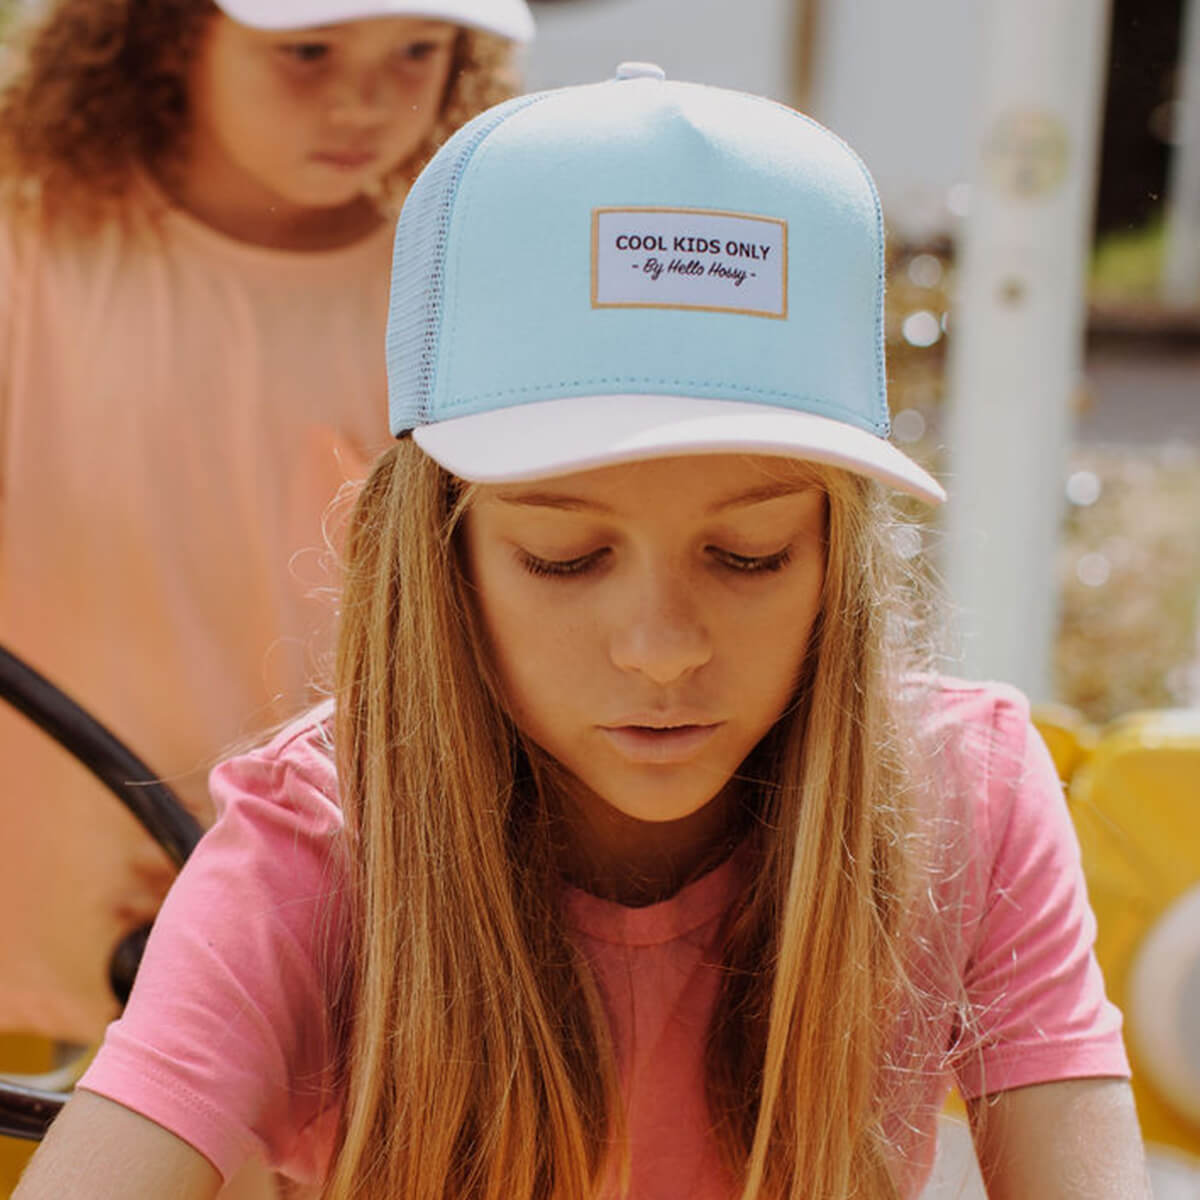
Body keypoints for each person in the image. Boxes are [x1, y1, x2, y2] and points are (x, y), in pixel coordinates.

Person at [16, 65, 1148, 1199]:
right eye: (564, 559)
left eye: (750, 554)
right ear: (439, 553)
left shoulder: (972, 793)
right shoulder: (314, 845)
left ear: (838, 559)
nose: (662, 647)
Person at [0, 0, 531, 1042]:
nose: (364, 102)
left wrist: (277, 862)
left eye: (417, 50)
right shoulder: (28, 234)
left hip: (322, 959)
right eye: (306, 51)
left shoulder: (460, 281)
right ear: (169, 31)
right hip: (27, 956)